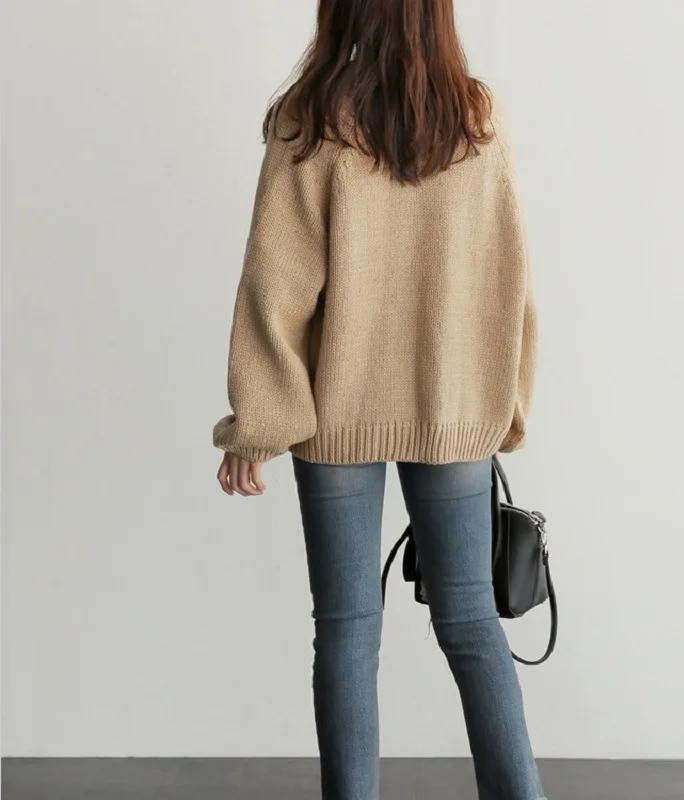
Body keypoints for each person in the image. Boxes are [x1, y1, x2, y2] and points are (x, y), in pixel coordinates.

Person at [213, 1, 544, 798]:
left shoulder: (309, 121)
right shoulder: (477, 118)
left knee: (347, 632)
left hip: (337, 412)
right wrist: (504, 406)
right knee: (470, 622)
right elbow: (510, 281)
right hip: (453, 410)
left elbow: (275, 288)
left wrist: (258, 426)